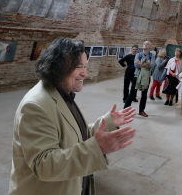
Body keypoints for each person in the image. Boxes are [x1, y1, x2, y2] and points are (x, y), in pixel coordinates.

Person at [9, 38, 136, 195]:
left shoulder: (61, 92)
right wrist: (97, 148)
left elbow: (74, 137)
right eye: (78, 67)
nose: (85, 73)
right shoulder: (36, 106)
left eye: (85, 66)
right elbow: (44, 165)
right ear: (58, 67)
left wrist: (107, 122)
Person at [124, 40, 156, 117]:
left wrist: (141, 63)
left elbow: (153, 65)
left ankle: (141, 111)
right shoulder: (138, 54)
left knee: (144, 95)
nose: (146, 45)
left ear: (150, 47)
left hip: (146, 77)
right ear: (142, 45)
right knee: (132, 94)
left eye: (148, 44)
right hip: (137, 76)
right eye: (144, 44)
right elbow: (136, 65)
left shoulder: (152, 55)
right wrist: (146, 63)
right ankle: (125, 110)